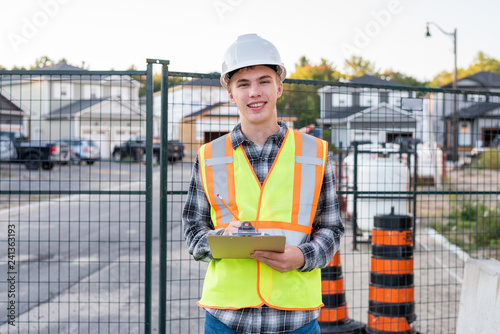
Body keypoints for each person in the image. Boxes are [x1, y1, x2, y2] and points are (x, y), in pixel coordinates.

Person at [182, 33, 345, 334]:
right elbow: (193, 233)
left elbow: (332, 229)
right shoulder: (209, 155)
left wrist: (303, 257)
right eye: (243, 84)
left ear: (279, 87)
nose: (254, 92)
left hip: (295, 319)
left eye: (264, 81)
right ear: (230, 94)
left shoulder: (316, 152)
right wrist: (220, 239)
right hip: (226, 319)